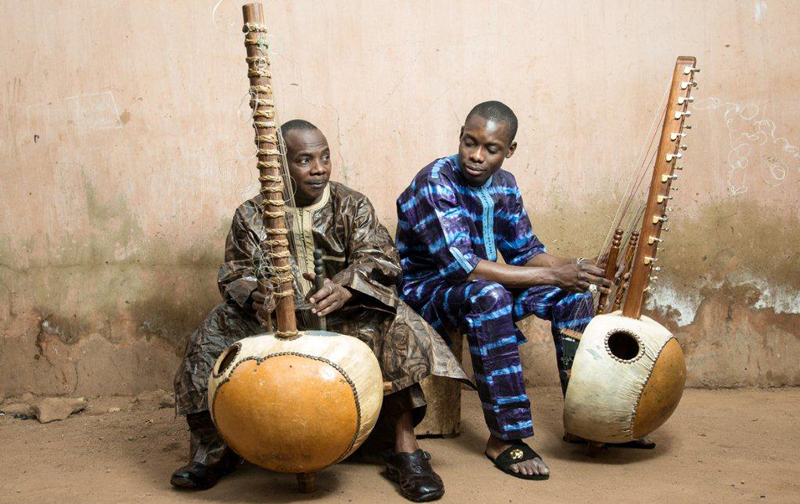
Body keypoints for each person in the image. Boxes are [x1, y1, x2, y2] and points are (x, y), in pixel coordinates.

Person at [172, 119, 466, 502]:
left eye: (325, 156)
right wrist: (255, 295)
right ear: (280, 166)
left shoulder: (353, 205)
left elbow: (381, 259)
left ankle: (405, 451)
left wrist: (347, 285)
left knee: (399, 325)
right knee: (210, 336)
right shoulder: (251, 215)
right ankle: (213, 452)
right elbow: (234, 273)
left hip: (343, 317)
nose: (320, 168)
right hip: (272, 323)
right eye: (304, 160)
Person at [395, 101, 651, 481]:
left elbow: (527, 252)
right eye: (470, 142)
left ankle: (585, 421)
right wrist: (552, 277)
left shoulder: (505, 184)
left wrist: (578, 270)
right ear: (461, 136)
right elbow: (463, 269)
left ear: (509, 151)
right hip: (429, 291)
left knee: (575, 294)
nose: (476, 155)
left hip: (485, 284)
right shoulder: (436, 181)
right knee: (489, 296)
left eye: (491, 148)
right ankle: (504, 437)